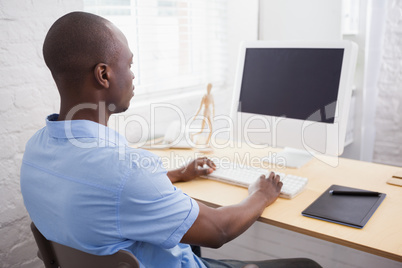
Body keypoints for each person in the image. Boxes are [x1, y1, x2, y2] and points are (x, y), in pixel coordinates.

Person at [20, 12, 322, 268]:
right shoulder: (127, 170)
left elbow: (99, 195)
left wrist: (176, 174)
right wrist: (262, 193)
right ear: (104, 75)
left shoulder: (36, 149)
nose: (133, 76)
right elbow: (219, 230)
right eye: (130, 64)